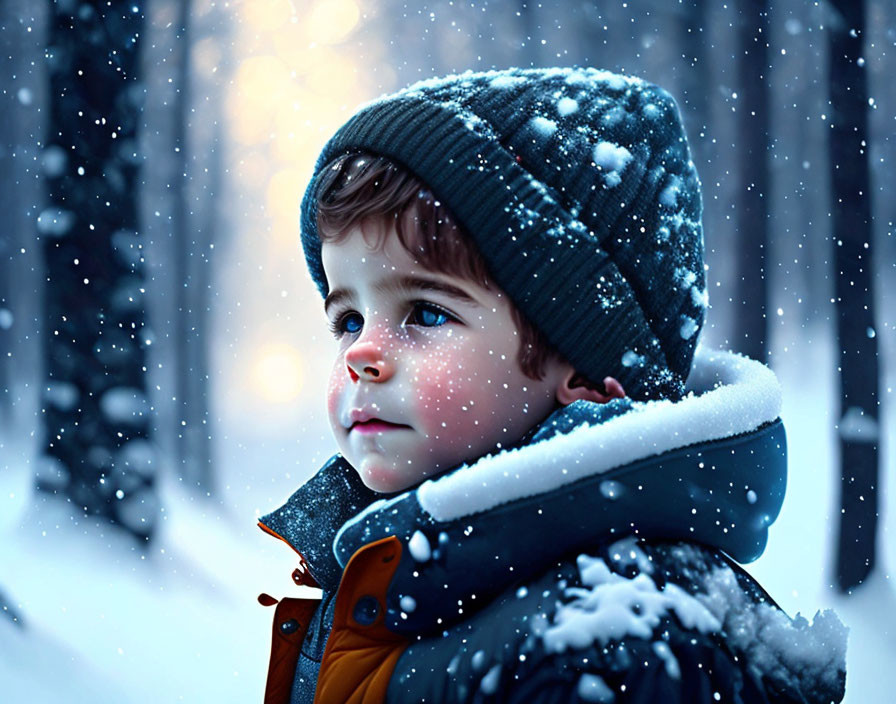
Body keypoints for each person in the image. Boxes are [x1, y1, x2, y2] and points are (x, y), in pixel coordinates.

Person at [257, 67, 846, 704]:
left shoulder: (611, 638)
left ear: (582, 372)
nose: (363, 352)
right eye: (348, 319)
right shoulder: (394, 576)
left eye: (426, 313)